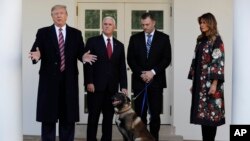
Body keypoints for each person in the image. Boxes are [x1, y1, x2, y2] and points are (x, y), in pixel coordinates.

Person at [29, 5, 97, 141]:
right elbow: (36, 49)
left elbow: (80, 52)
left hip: (69, 82)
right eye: (55, 14)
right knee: (48, 119)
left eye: (61, 13)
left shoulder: (76, 33)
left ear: (66, 15)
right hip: (49, 83)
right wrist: (37, 55)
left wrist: (83, 57)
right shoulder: (43, 32)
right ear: (52, 16)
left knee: (68, 119)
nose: (59, 16)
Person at [127, 12, 172, 141]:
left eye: (147, 24)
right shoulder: (134, 39)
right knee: (140, 116)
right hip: (139, 82)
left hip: (156, 83)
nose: (144, 27)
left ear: (153, 23)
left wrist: (152, 72)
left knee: (155, 115)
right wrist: (141, 73)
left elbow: (166, 59)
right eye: (142, 25)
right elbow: (130, 59)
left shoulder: (164, 38)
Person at [84, 16, 127, 141]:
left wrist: (123, 86)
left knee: (108, 119)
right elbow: (88, 64)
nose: (107, 26)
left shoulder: (119, 45)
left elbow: (122, 67)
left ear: (114, 27)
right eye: (105, 24)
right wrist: (89, 82)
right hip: (95, 87)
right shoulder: (92, 41)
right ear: (102, 26)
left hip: (112, 88)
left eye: (109, 24)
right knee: (93, 117)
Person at [188, 13, 225, 141]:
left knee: (211, 117)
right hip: (200, 84)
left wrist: (214, 84)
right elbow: (195, 61)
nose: (201, 25)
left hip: (211, 85)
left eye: (204, 22)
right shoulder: (200, 40)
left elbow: (218, 62)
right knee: (204, 118)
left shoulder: (217, 40)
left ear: (211, 23)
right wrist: (194, 84)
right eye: (200, 23)